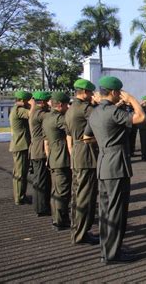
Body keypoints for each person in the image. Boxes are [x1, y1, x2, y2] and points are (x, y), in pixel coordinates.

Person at [83, 76, 146, 264]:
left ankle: (107, 249)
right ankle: (112, 254)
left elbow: (86, 138)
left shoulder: (95, 112)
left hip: (103, 163)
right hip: (116, 166)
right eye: (119, 92)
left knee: (105, 211)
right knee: (116, 211)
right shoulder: (112, 112)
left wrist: (105, 141)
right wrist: (132, 99)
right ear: (114, 92)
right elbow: (141, 117)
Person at [65, 79, 99, 245]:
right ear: (84, 92)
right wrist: (100, 103)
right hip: (86, 154)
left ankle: (77, 229)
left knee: (78, 195)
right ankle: (81, 234)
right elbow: (102, 118)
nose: (92, 95)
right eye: (91, 92)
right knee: (85, 196)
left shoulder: (71, 108)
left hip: (78, 153)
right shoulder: (85, 108)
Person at [42, 91, 72, 231]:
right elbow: (72, 128)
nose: (68, 107)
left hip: (53, 156)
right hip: (61, 158)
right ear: (60, 105)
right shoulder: (59, 119)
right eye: (67, 105)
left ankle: (57, 218)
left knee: (56, 191)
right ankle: (60, 221)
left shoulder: (47, 117)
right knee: (62, 192)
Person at [9, 90, 34, 205]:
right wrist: (33, 105)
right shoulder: (19, 110)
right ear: (23, 100)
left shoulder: (15, 109)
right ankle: (19, 197)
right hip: (21, 145)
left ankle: (20, 195)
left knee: (21, 172)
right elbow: (32, 115)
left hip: (19, 144)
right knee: (20, 173)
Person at [29, 91, 52, 216]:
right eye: (48, 101)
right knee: (42, 180)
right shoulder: (41, 114)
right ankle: (42, 208)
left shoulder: (34, 111)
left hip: (35, 149)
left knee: (39, 180)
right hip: (41, 149)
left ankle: (39, 206)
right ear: (43, 102)